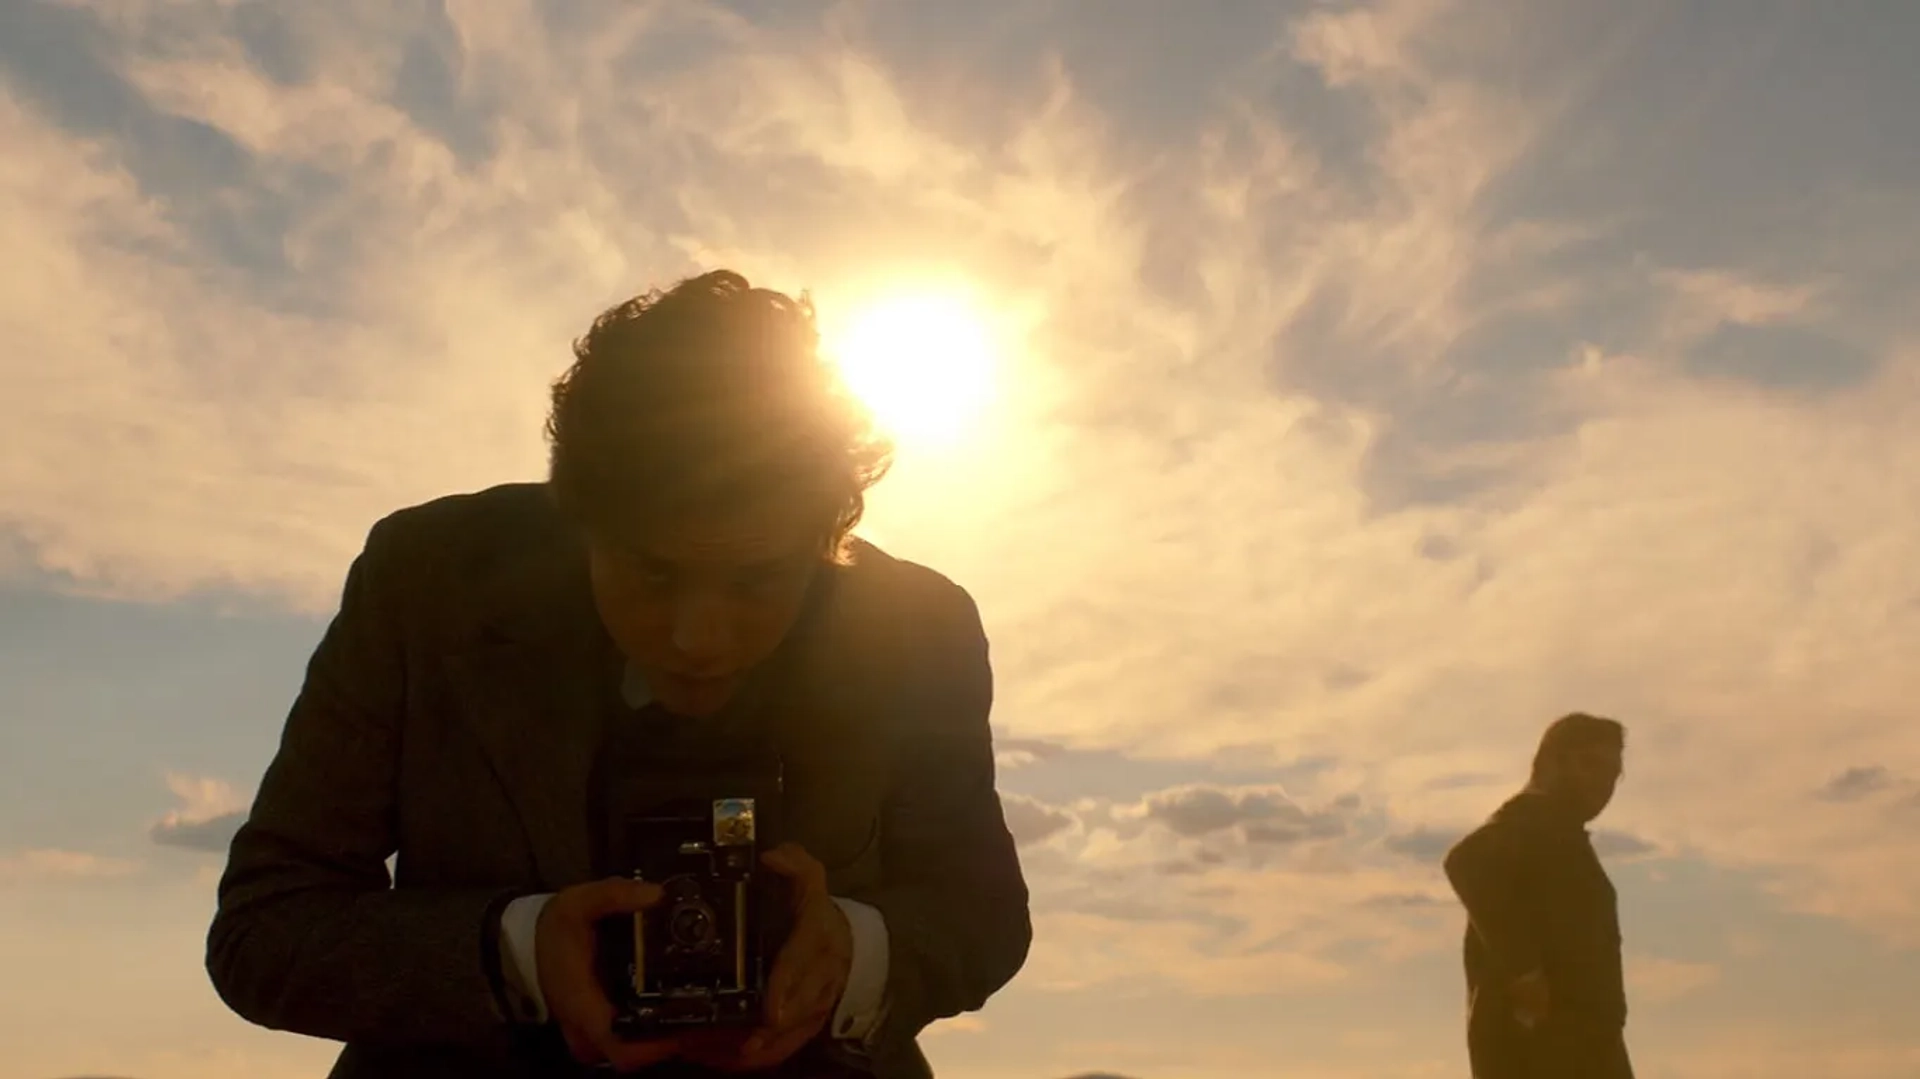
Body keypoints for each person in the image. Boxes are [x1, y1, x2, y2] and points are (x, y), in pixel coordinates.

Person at [206, 270, 1033, 1078]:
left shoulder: (921, 628)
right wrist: (515, 955)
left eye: (755, 582)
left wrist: (854, 952)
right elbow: (264, 929)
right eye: (654, 573)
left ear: (828, 536)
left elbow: (981, 913)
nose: (699, 638)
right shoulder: (425, 582)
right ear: (579, 515)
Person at [1442, 713, 1634, 1079]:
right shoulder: (1531, 820)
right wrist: (1524, 972)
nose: (1603, 784)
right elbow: (1467, 859)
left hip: (1582, 1043)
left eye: (1613, 774)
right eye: (1590, 765)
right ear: (1549, 761)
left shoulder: (1560, 831)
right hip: (1543, 1048)